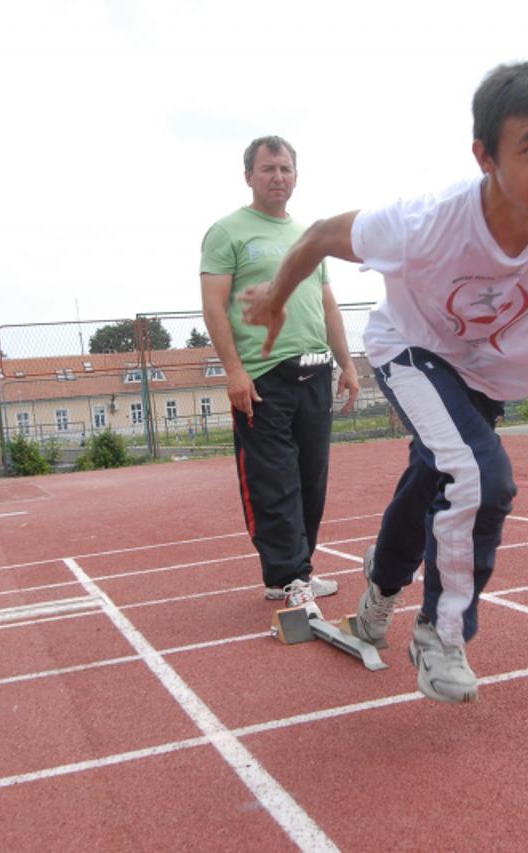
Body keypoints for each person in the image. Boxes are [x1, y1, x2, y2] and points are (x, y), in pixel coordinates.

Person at [240, 61, 528, 703]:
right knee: (480, 477)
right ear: (485, 156)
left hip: (491, 379)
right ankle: (441, 634)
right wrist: (274, 296)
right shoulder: (427, 222)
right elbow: (323, 234)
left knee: (434, 476)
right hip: (412, 350)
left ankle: (379, 587)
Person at [200, 135, 360, 617]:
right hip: (263, 378)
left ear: (296, 175)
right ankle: (289, 576)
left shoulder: (310, 235)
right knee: (274, 482)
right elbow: (213, 305)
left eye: (286, 169)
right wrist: (234, 370)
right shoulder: (227, 233)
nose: (278, 177)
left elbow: (327, 301)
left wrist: (348, 363)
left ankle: (297, 571)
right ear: (249, 175)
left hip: (314, 371)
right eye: (268, 169)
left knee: (311, 479)